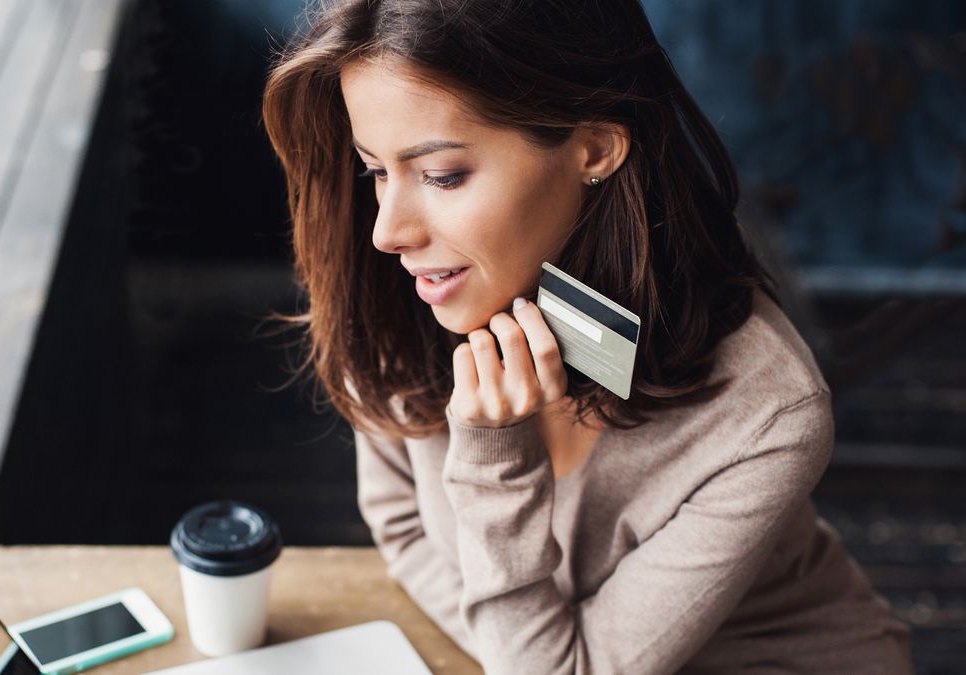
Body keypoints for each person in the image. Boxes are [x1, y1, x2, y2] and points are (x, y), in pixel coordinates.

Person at [259, 0, 915, 672]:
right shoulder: (414, 286)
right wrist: (520, 644)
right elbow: (401, 523)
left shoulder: (769, 410)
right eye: (374, 170)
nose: (388, 231)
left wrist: (493, 458)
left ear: (595, 148)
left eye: (442, 175)